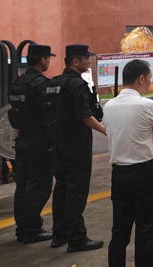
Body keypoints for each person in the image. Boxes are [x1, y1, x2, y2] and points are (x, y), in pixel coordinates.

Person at [102, 59, 153, 267]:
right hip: (144, 173)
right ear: (141, 78)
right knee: (145, 230)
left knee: (119, 232)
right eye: (149, 78)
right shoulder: (147, 105)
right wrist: (150, 136)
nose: (150, 82)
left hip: (119, 174)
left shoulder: (108, 106)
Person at [46, 44, 106, 253]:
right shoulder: (77, 84)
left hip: (59, 141)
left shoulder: (54, 83)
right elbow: (85, 116)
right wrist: (107, 131)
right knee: (76, 190)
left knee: (62, 187)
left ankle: (59, 234)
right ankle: (77, 238)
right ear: (75, 61)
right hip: (77, 143)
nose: (89, 61)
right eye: (86, 58)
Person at [8, 44, 56, 244]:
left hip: (23, 139)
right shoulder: (41, 84)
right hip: (40, 140)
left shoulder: (17, 83)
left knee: (23, 185)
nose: (49, 61)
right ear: (43, 59)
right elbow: (49, 113)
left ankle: (22, 228)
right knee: (39, 185)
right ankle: (32, 229)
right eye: (48, 58)